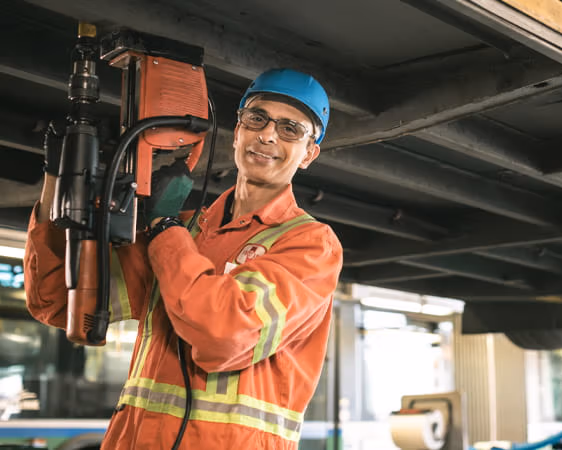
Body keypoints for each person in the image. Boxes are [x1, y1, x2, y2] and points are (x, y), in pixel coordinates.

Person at [24, 68, 343, 449]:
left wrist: (163, 227)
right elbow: (56, 300)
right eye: (257, 118)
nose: (268, 134)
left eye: (291, 129)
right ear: (238, 131)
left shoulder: (310, 245)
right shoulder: (186, 231)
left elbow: (223, 335)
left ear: (309, 153)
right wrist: (58, 180)